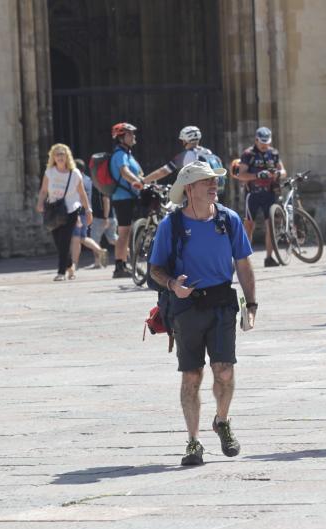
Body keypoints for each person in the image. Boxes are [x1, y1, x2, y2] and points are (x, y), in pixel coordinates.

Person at [148, 161, 257, 466]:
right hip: (186, 306)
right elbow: (155, 269)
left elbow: (244, 265)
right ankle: (193, 442)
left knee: (224, 369)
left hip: (222, 301)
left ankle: (222, 421)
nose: (214, 186)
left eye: (215, 181)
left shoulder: (228, 219)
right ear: (189, 188)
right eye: (205, 181)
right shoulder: (170, 226)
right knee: (192, 375)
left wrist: (252, 304)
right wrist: (172, 284)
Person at [109, 122, 173, 278]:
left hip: (131, 197)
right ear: (121, 137)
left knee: (130, 230)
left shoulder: (128, 155)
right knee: (123, 232)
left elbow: (140, 175)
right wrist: (136, 183)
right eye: (130, 134)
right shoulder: (119, 155)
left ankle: (127, 262)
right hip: (122, 198)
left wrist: (147, 183)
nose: (134, 137)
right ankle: (119, 266)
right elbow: (124, 173)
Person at [35, 144, 93, 281]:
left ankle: (61, 272)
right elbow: (44, 190)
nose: (60, 157)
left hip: (71, 210)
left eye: (62, 154)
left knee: (65, 241)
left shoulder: (75, 173)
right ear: (53, 157)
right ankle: (70, 265)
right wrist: (40, 202)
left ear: (67, 156)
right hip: (54, 210)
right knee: (58, 242)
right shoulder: (49, 172)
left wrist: (88, 209)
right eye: (57, 154)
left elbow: (82, 193)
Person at [233, 126, 287, 267]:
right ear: (256, 140)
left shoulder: (273, 153)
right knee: (249, 226)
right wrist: (257, 175)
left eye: (267, 142)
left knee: (270, 226)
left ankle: (269, 258)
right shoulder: (248, 154)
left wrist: (279, 174)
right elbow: (241, 175)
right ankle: (243, 259)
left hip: (269, 193)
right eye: (262, 142)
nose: (264, 145)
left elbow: (283, 170)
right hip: (253, 194)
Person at [70, 159, 108, 269]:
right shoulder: (88, 180)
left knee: (76, 238)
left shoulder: (78, 180)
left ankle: (74, 264)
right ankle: (99, 250)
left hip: (79, 212)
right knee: (81, 237)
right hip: (85, 212)